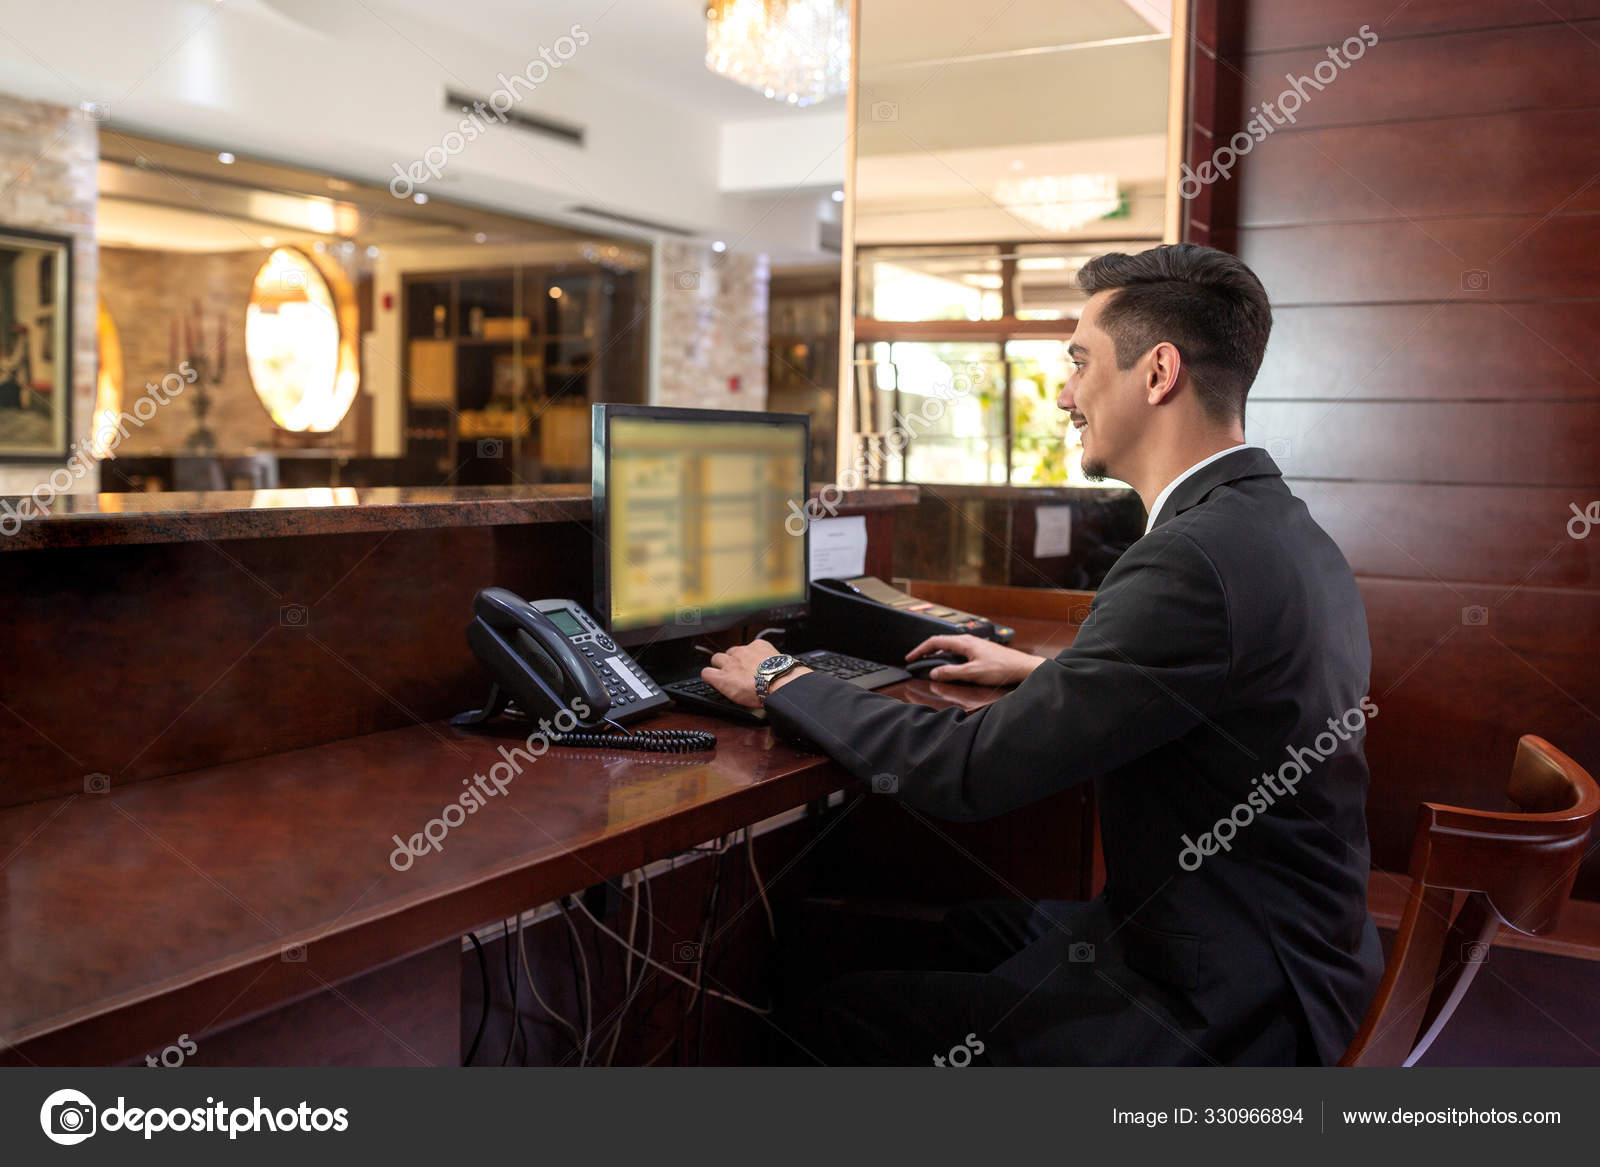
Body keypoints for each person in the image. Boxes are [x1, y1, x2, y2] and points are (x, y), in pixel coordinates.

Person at [701, 243, 1384, 1066]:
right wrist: (1050, 673)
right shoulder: (1282, 529)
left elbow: (970, 772)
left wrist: (783, 677)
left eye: (1078, 362)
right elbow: (1226, 690)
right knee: (958, 926)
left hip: (1219, 1004)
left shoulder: (1190, 559)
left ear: (1158, 372)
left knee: (833, 1016)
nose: (1064, 395)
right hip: (1289, 950)